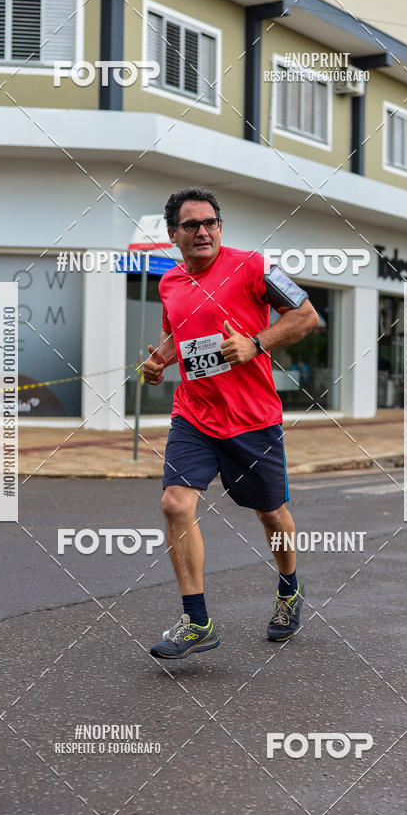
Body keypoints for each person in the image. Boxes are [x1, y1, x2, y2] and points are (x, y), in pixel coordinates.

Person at [142, 186, 319, 660]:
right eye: (191, 225)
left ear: (220, 227)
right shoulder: (170, 282)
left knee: (271, 514)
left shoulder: (255, 266)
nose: (202, 231)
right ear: (173, 234)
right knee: (175, 504)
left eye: (210, 223)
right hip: (194, 415)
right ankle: (197, 621)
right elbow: (174, 332)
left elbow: (306, 316)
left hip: (252, 419)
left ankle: (289, 589)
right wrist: (158, 360)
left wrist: (256, 344)